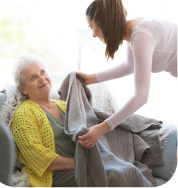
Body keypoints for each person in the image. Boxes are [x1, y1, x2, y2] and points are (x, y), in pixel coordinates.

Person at [76, 0, 178, 162]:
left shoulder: (141, 35)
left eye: (92, 27)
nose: (93, 34)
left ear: (105, 23)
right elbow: (129, 66)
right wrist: (91, 78)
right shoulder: (133, 31)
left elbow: (140, 96)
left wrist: (103, 128)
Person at [11, 53, 78, 188]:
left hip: (82, 165)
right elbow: (38, 158)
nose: (42, 78)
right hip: (54, 175)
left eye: (42, 72)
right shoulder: (24, 113)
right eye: (33, 77)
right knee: (109, 175)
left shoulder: (64, 105)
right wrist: (83, 163)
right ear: (22, 89)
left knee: (126, 168)